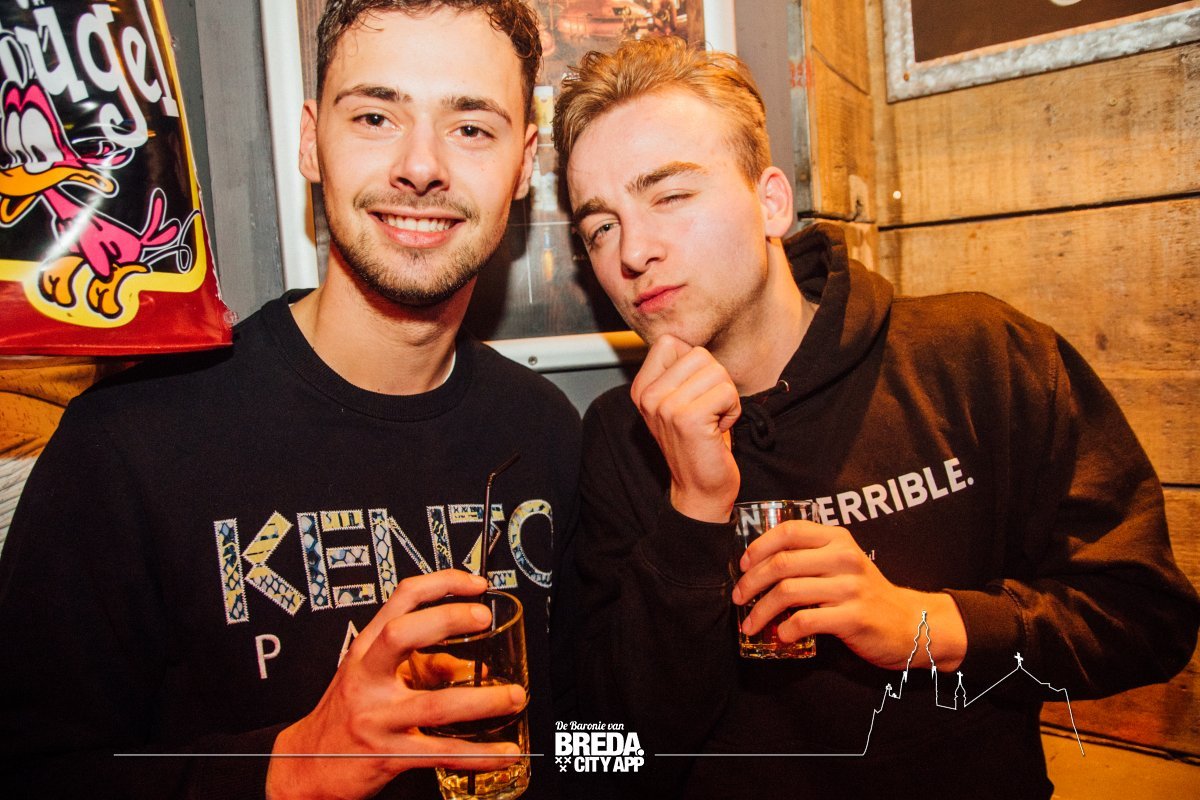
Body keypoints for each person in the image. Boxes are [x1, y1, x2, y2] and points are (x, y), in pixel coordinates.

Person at [551, 36, 1199, 799]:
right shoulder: (619, 437)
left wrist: (925, 626)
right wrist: (694, 514)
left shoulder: (976, 356)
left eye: (669, 196)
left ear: (771, 202)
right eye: (600, 227)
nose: (633, 252)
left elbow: (1147, 619)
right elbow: (606, 752)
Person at [0, 2, 579, 798]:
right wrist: (295, 763)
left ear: (523, 165)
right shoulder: (130, 441)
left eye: (471, 128)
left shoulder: (546, 431)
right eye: (375, 116)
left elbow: (585, 738)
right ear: (311, 141)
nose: (421, 166)